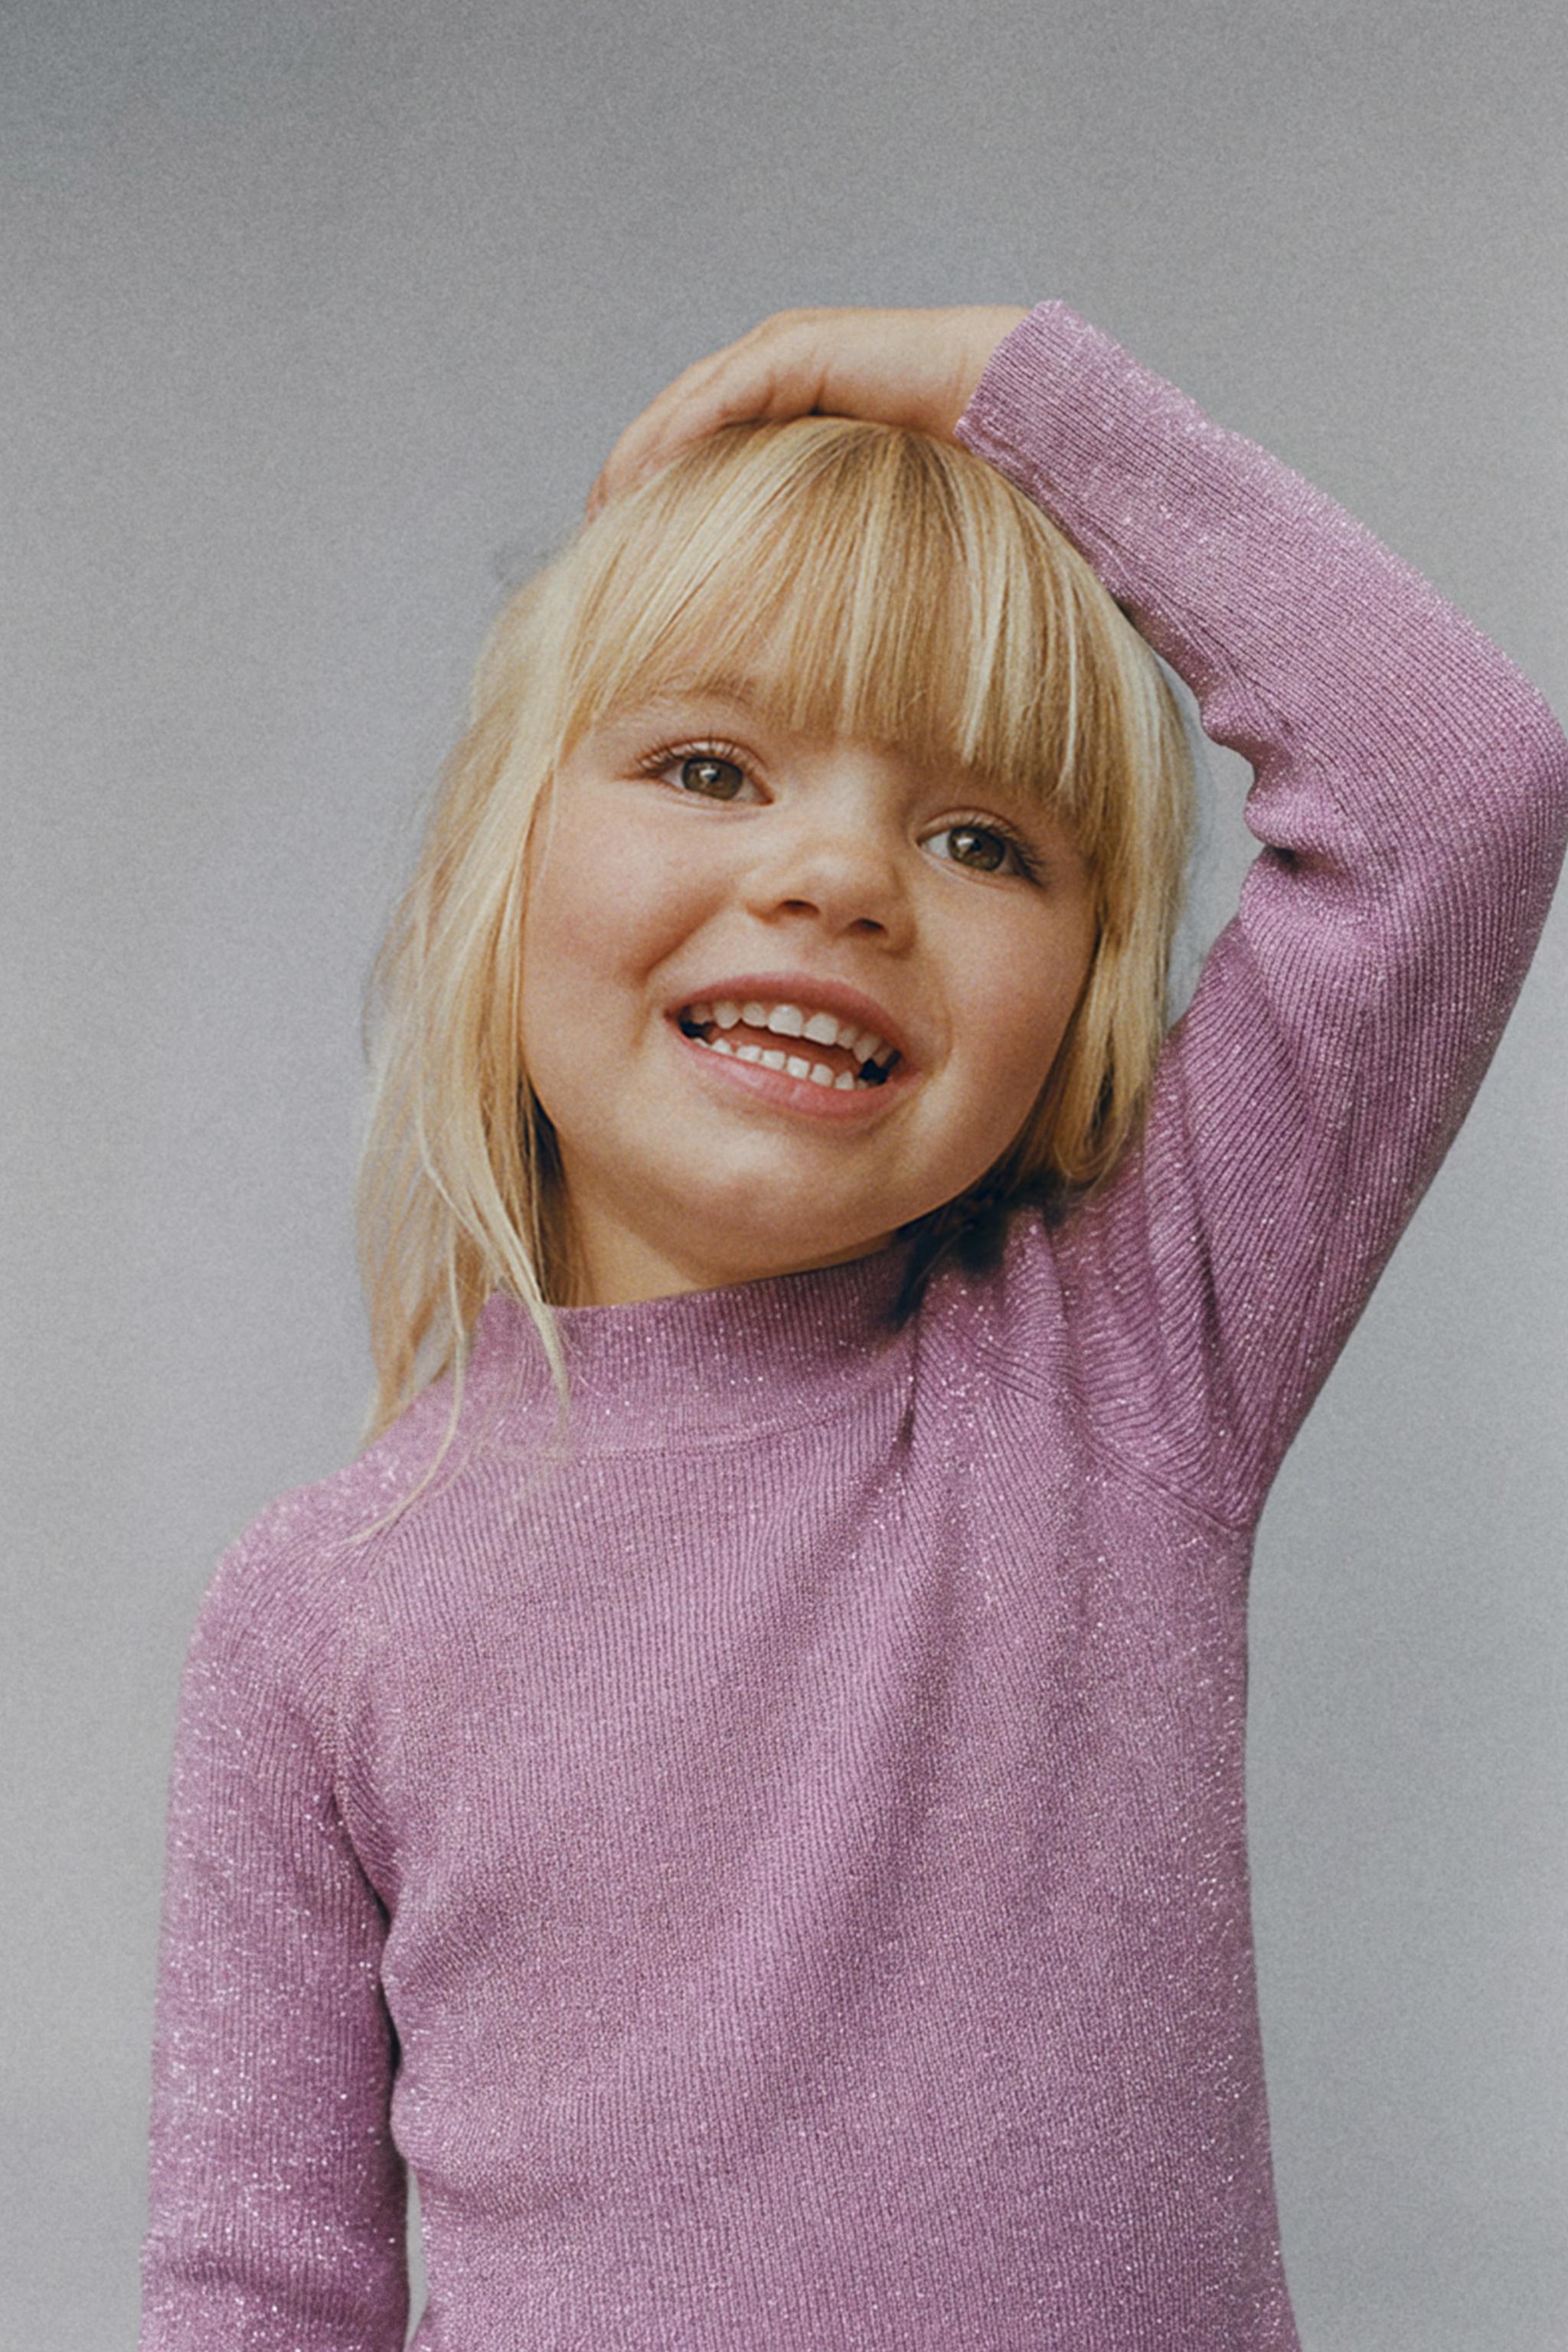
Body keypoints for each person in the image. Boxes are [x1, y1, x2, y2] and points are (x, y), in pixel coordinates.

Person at [139, 303, 1568, 2350]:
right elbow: (259, 2294)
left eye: (982, 839)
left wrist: (999, 379)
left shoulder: (1120, 1366)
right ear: (493, 868)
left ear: (1081, 1000)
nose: (837, 877)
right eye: (708, 767)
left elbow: (1459, 782)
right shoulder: (317, 1613)